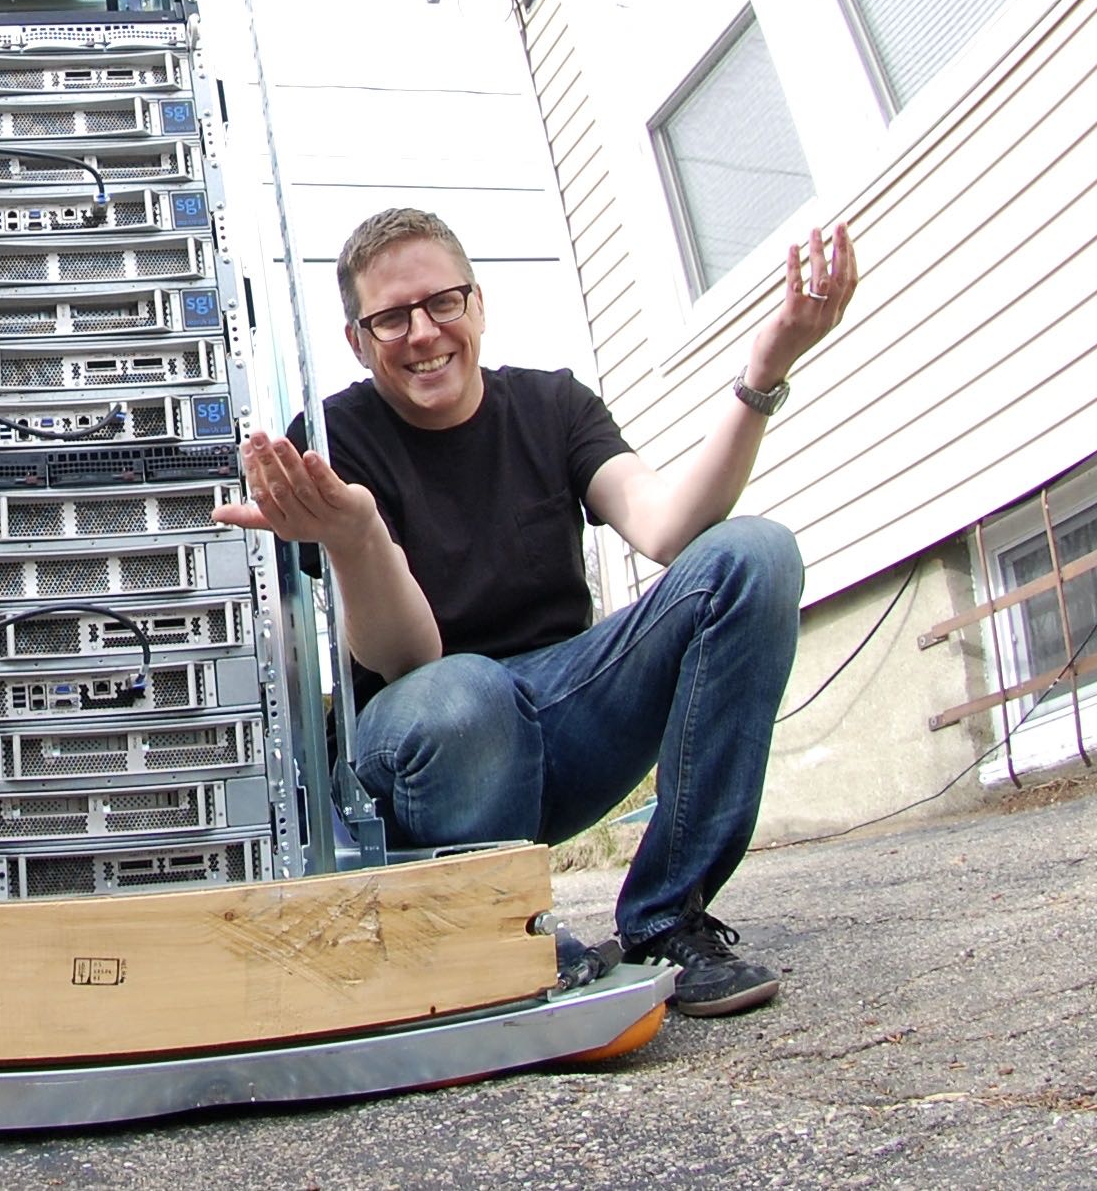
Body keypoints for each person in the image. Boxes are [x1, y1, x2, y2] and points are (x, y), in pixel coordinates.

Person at [214, 207, 857, 1016]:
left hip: (563, 721)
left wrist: (763, 374)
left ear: (476, 304)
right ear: (358, 338)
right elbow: (407, 662)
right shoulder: (336, 441)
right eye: (390, 318)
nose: (422, 333)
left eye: (442, 303)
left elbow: (666, 528)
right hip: (427, 748)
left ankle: (667, 919)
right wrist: (359, 535)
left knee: (755, 555)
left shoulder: (554, 406)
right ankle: (497, 931)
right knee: (469, 692)